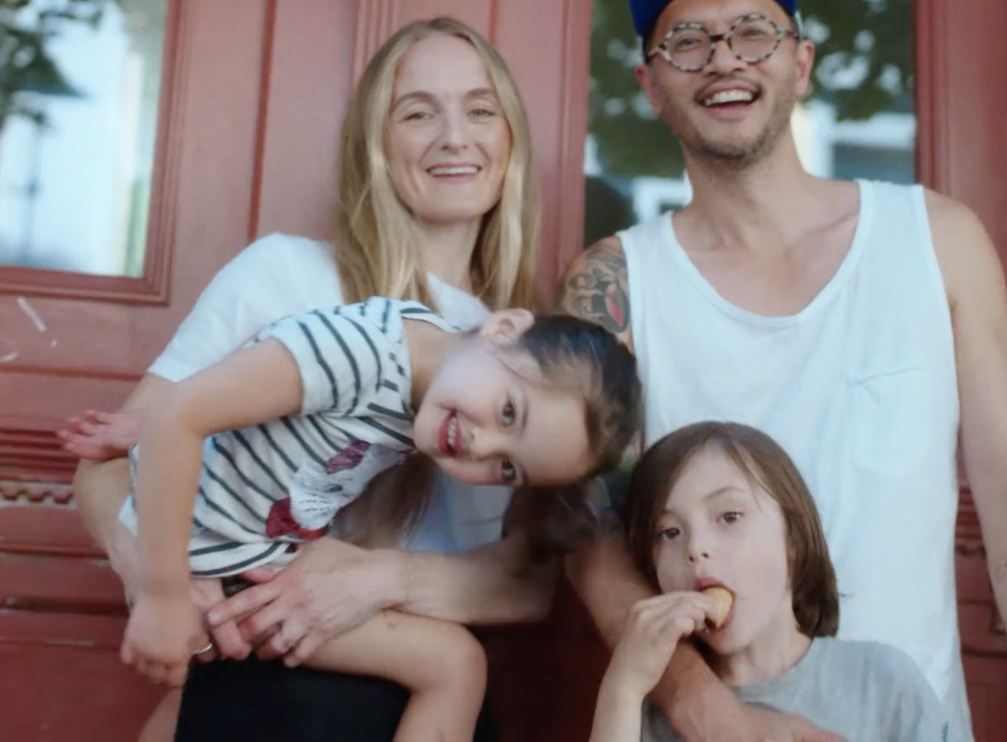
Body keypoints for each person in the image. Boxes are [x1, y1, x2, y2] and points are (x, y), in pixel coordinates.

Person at [558, 0, 1007, 742]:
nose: (724, 58)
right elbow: (589, 539)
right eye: (686, 42)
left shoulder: (935, 240)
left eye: (753, 32)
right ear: (650, 85)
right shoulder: (616, 284)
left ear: (800, 63)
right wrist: (717, 716)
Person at [65, 17, 558, 742]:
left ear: (511, 137)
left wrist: (374, 579)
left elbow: (530, 580)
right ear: (376, 143)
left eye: (481, 110)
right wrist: (159, 581)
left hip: (413, 698)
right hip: (261, 684)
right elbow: (109, 463)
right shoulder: (288, 275)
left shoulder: (526, 363)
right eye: (418, 112)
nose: (456, 136)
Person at [119, 296, 639, 742]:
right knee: (454, 664)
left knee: (208, 685)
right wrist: (162, 595)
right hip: (203, 548)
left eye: (508, 468)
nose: (482, 446)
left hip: (242, 544)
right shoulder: (362, 355)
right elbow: (177, 414)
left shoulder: (424, 370)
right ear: (503, 328)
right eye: (509, 413)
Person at [591, 421, 950, 742]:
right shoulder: (646, 717)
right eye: (669, 532)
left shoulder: (883, 684)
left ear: (793, 539)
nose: (696, 548)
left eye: (729, 517)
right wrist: (623, 687)